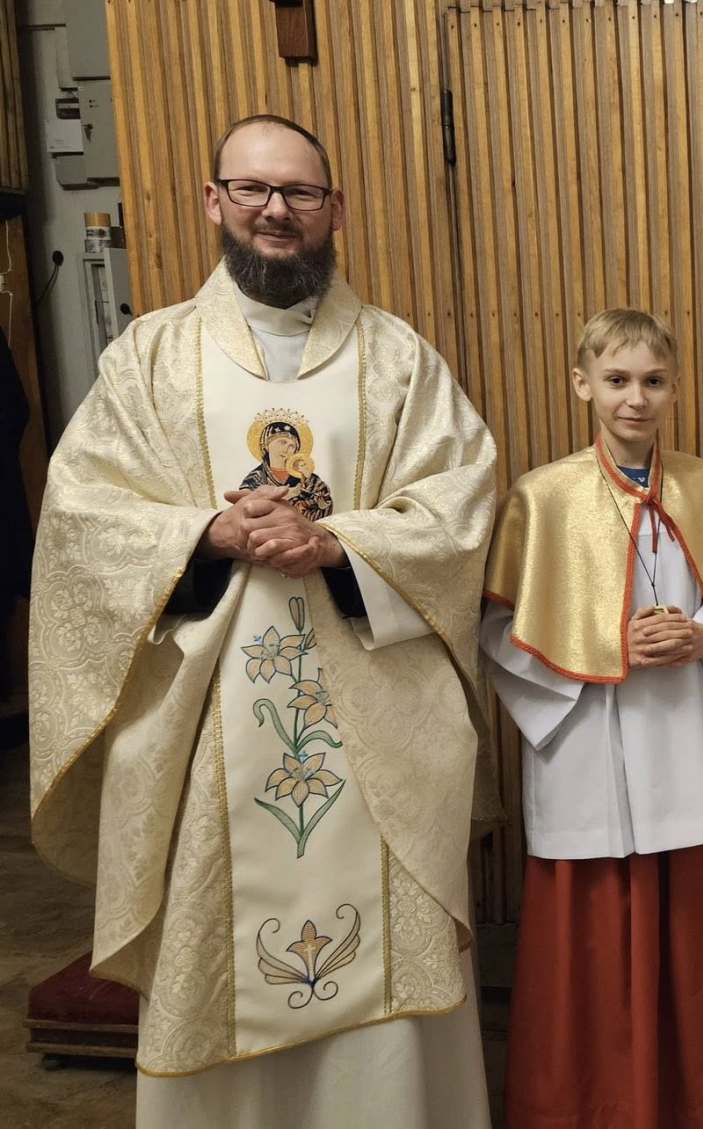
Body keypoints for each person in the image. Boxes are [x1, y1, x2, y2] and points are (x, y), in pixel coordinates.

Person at [28, 114, 499, 1128]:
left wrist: (337, 544)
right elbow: (82, 518)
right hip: (210, 730)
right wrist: (205, 531)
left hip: (373, 725)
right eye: (253, 188)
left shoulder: (397, 361)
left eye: (300, 192)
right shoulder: (151, 358)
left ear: (337, 210)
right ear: (214, 200)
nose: (276, 210)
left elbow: (458, 506)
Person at [483, 308, 703, 1129]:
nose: (635, 398)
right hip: (589, 745)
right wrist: (606, 645)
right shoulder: (541, 498)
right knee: (591, 931)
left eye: (653, 381)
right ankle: (586, 1105)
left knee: (698, 927)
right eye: (616, 380)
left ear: (675, 387)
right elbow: (498, 631)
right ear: (582, 383)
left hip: (685, 736)